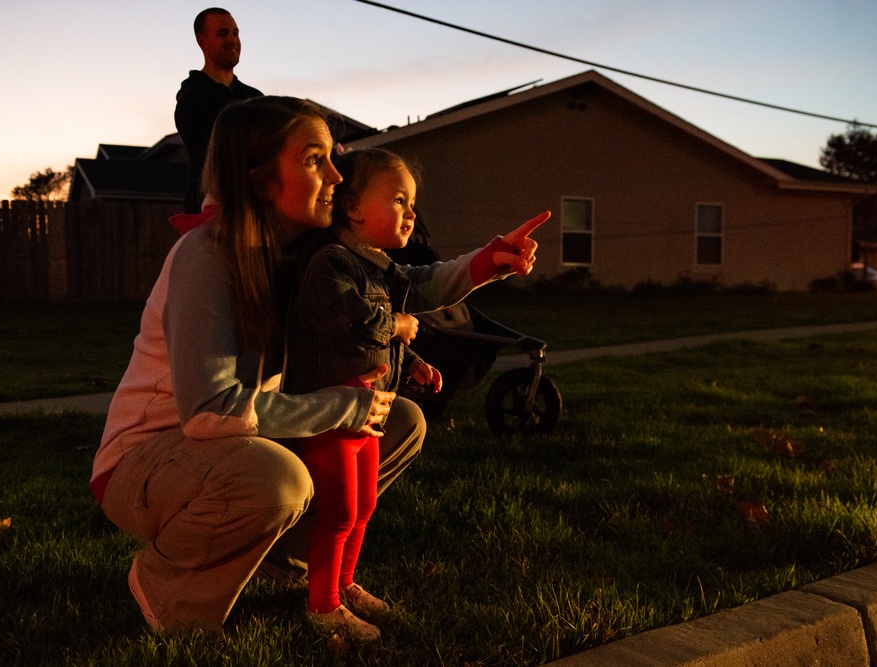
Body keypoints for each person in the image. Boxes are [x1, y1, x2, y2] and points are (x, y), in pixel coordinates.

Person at [89, 94, 550, 637]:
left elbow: (407, 285)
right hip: (149, 458)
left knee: (399, 421)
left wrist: (484, 263)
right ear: (260, 178)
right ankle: (169, 588)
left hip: (235, 439)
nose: (337, 174)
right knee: (278, 477)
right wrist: (343, 406)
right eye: (314, 159)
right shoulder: (208, 257)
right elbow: (210, 413)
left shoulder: (308, 253)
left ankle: (285, 559)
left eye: (333, 156)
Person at [285, 148, 443, 640]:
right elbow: (349, 323)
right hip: (332, 409)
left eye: (412, 203)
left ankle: (345, 584)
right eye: (398, 200)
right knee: (338, 510)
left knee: (364, 506)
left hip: (368, 409)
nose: (411, 212)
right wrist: (395, 325)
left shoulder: (379, 270)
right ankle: (323, 605)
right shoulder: (331, 263)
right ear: (353, 208)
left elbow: (375, 347)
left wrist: (412, 363)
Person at [175, 7, 262, 213]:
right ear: (202, 41)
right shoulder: (193, 99)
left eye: (235, 33)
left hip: (253, 208)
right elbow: (212, 161)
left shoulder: (255, 98)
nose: (233, 40)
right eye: (223, 34)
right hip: (211, 214)